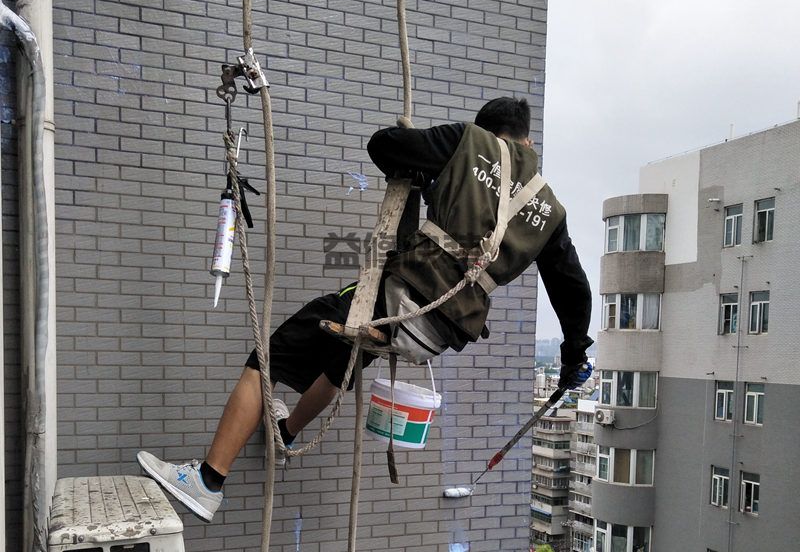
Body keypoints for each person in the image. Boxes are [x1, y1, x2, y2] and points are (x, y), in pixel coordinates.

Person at [137, 97, 593, 523]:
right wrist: (574, 353)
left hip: (401, 296)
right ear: (527, 141)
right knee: (343, 359)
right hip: (444, 326)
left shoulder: (468, 142)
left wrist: (429, 175)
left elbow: (384, 144)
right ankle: (288, 431)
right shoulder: (549, 210)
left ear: (488, 132)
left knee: (267, 356)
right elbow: (572, 290)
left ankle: (207, 480)